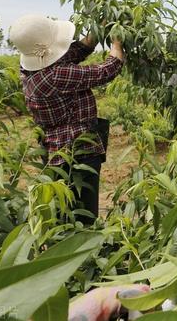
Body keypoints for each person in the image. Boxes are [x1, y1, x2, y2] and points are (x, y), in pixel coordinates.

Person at [10, 14, 124, 224]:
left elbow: (76, 51)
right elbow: (108, 69)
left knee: (64, 208)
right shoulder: (55, 76)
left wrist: (102, 25)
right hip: (76, 151)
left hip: (54, 149)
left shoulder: (30, 69)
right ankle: (82, 249)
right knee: (83, 212)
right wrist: (117, 40)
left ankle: (65, 242)